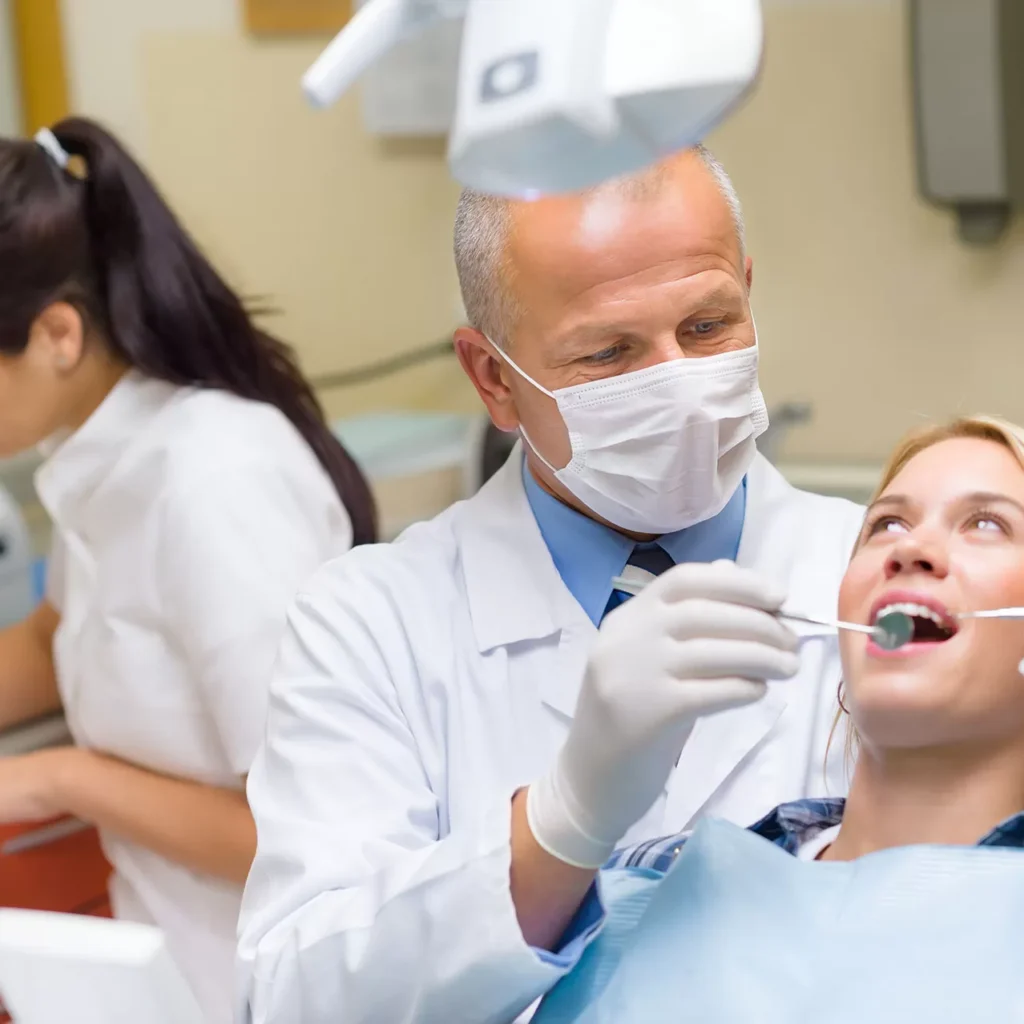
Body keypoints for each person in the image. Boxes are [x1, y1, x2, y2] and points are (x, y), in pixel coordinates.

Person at [237, 147, 865, 1024]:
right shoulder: (371, 622)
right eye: (608, 353)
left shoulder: (869, 583)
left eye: (708, 326)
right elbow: (295, 997)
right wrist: (562, 823)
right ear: (494, 377)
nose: (678, 388)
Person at [0, 120, 376, 1023]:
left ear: (57, 333)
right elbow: (65, 632)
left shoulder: (216, 482)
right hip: (155, 968)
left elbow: (306, 829)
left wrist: (61, 779)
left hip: (266, 990)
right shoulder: (105, 452)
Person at [534, 414, 1024, 1023]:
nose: (910, 550)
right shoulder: (655, 884)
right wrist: (577, 798)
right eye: (887, 523)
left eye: (986, 524)